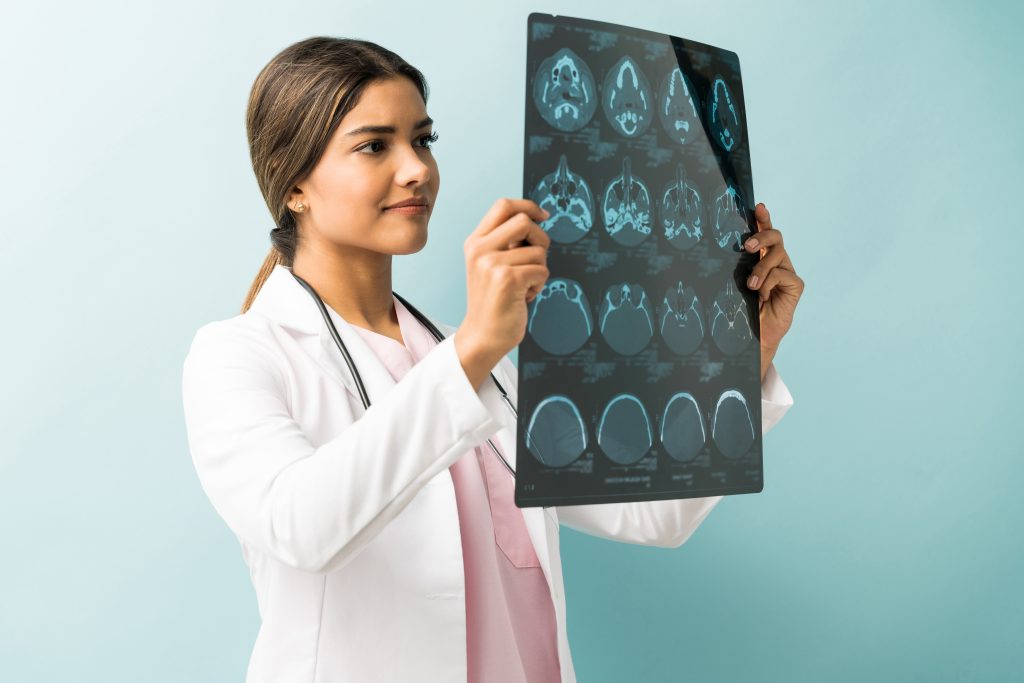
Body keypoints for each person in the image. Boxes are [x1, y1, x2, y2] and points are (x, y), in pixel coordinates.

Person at [180, 36, 803, 683]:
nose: (416, 168)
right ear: (296, 183)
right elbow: (303, 527)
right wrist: (475, 346)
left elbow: (652, 512)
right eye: (375, 145)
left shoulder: (475, 359)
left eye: (422, 139)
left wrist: (747, 354)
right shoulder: (237, 356)